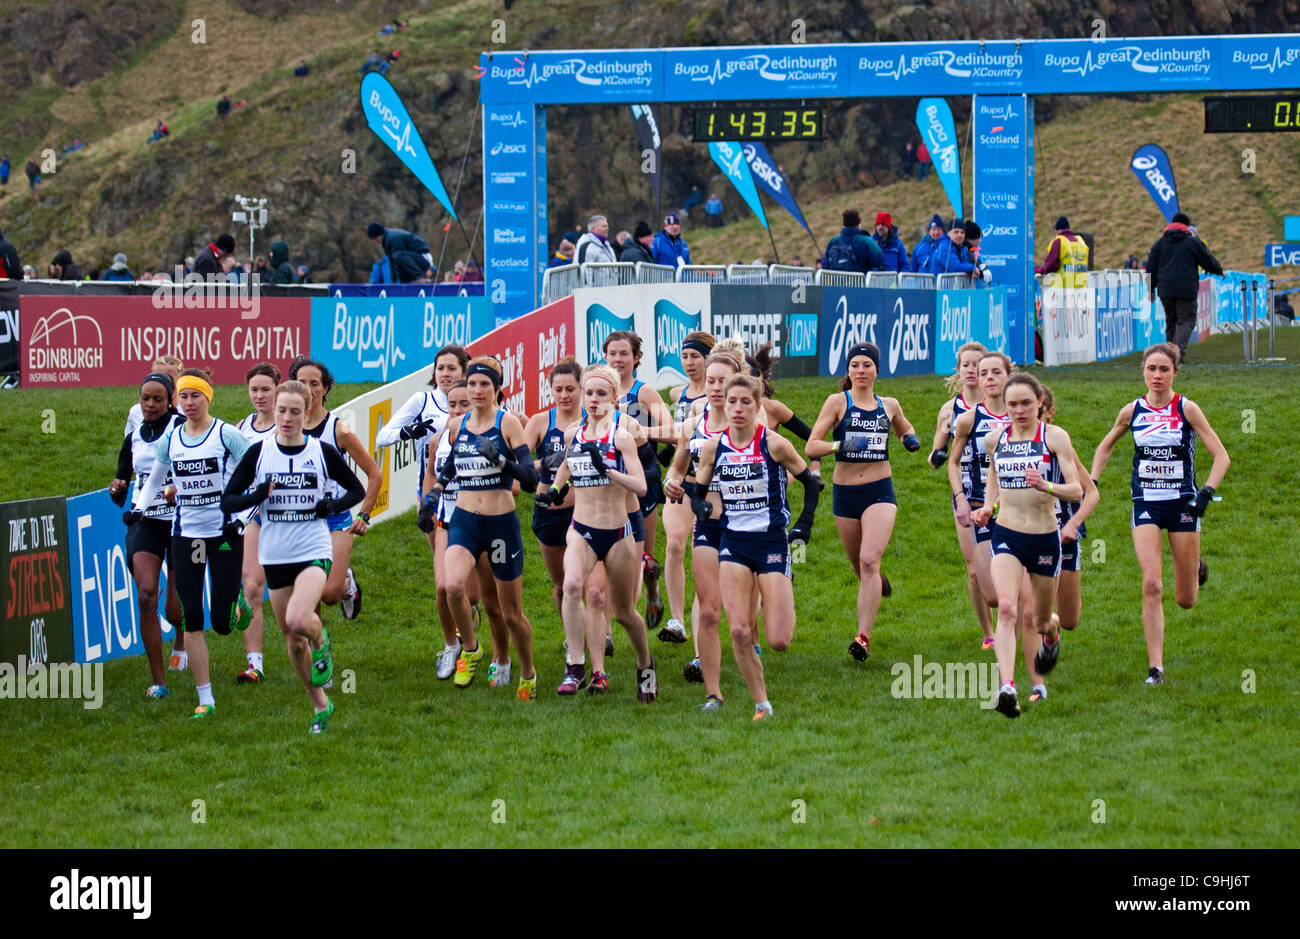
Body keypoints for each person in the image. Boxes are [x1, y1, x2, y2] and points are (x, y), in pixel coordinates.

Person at [222, 379, 365, 734]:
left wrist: (329, 505)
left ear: (307, 411)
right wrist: (256, 494)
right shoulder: (259, 453)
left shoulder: (320, 452)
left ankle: (323, 642)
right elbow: (229, 500)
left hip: (313, 548)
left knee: (301, 620)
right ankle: (320, 704)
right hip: (275, 553)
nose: (286, 418)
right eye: (281, 411)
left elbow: (356, 489)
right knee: (290, 638)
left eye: (294, 412)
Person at [1089, 343, 1230, 685]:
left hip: (1183, 505)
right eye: (1151, 368)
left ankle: (1195, 565)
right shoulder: (1132, 411)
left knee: (1185, 600)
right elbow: (1105, 445)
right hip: (1146, 504)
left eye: (1164, 369)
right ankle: (1156, 668)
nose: (1157, 375)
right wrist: (1092, 482)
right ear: (1143, 371)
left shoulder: (1187, 409)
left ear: (1175, 373)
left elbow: (1221, 456)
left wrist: (1205, 494)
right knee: (1151, 583)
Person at [125, 369, 253, 719]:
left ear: (208, 398)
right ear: (177, 402)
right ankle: (206, 699)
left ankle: (236, 601)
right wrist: (139, 509)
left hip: (224, 533)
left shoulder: (226, 434)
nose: (189, 402)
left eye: (196, 396)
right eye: (184, 396)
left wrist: (242, 515)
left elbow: (259, 470)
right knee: (193, 617)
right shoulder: (172, 439)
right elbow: (154, 481)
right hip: (187, 535)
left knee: (223, 623)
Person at [692, 374, 821, 722]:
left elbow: (812, 484)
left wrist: (804, 524)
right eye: (731, 402)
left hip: (772, 543)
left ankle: (777, 597)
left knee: (778, 639)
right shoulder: (712, 447)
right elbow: (698, 490)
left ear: (757, 406)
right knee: (738, 630)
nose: (736, 408)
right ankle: (761, 703)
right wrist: (700, 507)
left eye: (745, 402)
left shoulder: (774, 444)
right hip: (733, 542)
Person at [970, 373, 1085, 718]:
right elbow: (993, 477)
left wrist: (1047, 486)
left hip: (1044, 538)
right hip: (1006, 534)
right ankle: (1008, 687)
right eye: (1012, 404)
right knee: (1006, 608)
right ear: (1005, 407)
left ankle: (1051, 637)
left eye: (1026, 404)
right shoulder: (995, 439)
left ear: (1039, 404)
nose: (1019, 410)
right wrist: (989, 506)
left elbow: (1077, 491)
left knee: (1038, 619)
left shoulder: (1055, 438)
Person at [541, 364, 657, 699]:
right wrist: (555, 490)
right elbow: (566, 464)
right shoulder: (573, 433)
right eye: (588, 393)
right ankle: (575, 665)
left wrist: (605, 467)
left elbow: (640, 485)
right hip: (580, 528)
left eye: (601, 394)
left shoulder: (622, 435)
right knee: (573, 586)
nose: (593, 400)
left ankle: (645, 663)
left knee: (623, 613)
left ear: (615, 398)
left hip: (618, 531)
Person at [427, 355, 539, 698]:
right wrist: (433, 495)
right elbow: (450, 469)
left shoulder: (508, 424)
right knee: (453, 588)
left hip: (500, 525)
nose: (477, 390)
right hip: (464, 521)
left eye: (484, 385)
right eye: (472, 383)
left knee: (508, 612)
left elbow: (532, 479)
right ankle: (472, 650)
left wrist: (501, 459)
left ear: (497, 389)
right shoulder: (456, 425)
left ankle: (527, 672)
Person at [807, 342, 919, 663]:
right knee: (860, 566)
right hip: (846, 495)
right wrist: (841, 444)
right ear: (848, 370)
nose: (860, 371)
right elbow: (812, 447)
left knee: (869, 560)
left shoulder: (890, 404)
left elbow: (903, 427)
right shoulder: (837, 402)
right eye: (855, 365)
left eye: (866, 365)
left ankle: (863, 637)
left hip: (879, 492)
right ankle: (876, 582)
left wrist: (908, 438)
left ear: (876, 370)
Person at [664, 346, 742, 699]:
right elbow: (678, 464)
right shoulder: (695, 420)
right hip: (707, 520)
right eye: (710, 380)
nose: (713, 387)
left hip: (747, 521)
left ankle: (747, 639)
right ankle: (700, 658)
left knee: (742, 605)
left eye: (721, 381)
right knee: (706, 598)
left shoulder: (751, 421)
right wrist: (672, 480)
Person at [109, 372, 184, 698]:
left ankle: (182, 639)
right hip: (145, 521)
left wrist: (178, 489)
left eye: (157, 399)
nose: (150, 405)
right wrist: (118, 488)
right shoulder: (134, 436)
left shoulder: (182, 428)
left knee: (174, 606)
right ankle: (159, 681)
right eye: (145, 398)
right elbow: (120, 484)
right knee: (145, 595)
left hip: (183, 521)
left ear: (170, 400)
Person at [290, 357, 380, 624]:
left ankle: (346, 584)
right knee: (309, 595)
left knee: (329, 593)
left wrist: (364, 515)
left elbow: (374, 474)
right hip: (301, 520)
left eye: (314, 383)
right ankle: (317, 650)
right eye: (301, 382)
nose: (308, 389)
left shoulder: (338, 430)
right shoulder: (284, 428)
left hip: (337, 518)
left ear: (325, 388)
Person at [603, 330, 674, 633]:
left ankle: (651, 586)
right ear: (604, 356)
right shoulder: (596, 390)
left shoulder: (644, 393)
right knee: (604, 556)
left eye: (624, 354)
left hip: (643, 478)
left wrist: (639, 432)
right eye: (612, 354)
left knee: (641, 554)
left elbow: (672, 431)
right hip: (604, 487)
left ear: (636, 358)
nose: (618, 359)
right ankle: (605, 631)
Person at [929, 342, 993, 648]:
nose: (970, 371)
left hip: (1003, 494)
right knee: (973, 570)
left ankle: (1024, 621)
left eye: (976, 366)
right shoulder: (950, 410)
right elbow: (936, 452)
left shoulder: (1004, 404)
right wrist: (937, 457)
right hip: (965, 494)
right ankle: (989, 634)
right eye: (965, 365)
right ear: (958, 371)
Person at [948, 351, 1014, 647]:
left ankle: (1015, 636)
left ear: (1008, 376)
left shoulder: (1022, 413)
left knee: (1017, 579)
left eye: (995, 372)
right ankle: (992, 630)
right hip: (978, 505)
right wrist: (960, 498)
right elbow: (952, 462)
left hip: (1017, 505)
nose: (988, 378)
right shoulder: (969, 419)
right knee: (988, 589)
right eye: (983, 373)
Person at [660, 331, 715, 646]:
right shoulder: (677, 393)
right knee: (675, 545)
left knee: (705, 556)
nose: (690, 362)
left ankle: (708, 619)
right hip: (683, 484)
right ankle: (677, 620)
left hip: (713, 489)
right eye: (685, 356)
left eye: (696, 356)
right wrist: (671, 474)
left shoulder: (719, 396)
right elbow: (679, 440)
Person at [524, 359, 586, 628]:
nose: (564, 395)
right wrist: (546, 462)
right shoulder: (540, 422)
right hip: (549, 513)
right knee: (561, 585)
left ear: (581, 388)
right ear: (550, 390)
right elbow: (522, 470)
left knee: (591, 585)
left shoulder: (593, 418)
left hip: (585, 511)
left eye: (570, 389)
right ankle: (572, 639)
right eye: (558, 389)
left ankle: (599, 636)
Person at [232, 363, 282, 685]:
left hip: (290, 517)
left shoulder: (289, 423)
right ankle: (255, 664)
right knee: (252, 587)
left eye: (266, 389)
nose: (260, 395)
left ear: (278, 388)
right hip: (254, 516)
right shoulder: (240, 429)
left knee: (290, 596)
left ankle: (312, 648)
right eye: (254, 390)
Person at [1039, 385, 1100, 649]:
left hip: (1063, 534)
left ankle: (1051, 627)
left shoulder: (1059, 442)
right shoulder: (1007, 443)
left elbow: (1091, 493)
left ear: (1049, 413)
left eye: (1037, 411)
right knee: (1020, 604)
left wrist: (1073, 525)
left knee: (1069, 619)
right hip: (1025, 534)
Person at [1145, 212, 1224, 362]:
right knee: (1186, 320)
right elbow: (1206, 260)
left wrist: (1151, 289)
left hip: (1165, 289)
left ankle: (1169, 354)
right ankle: (1177, 352)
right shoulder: (1192, 242)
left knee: (1171, 320)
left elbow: (1150, 268)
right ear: (1186, 226)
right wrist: (1219, 271)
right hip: (1186, 289)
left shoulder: (1159, 243)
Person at [366, 222, 433, 283]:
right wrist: (394, 284)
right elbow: (392, 264)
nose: (375, 241)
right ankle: (405, 282)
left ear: (379, 235)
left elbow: (399, 259)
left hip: (423, 257)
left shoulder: (393, 238)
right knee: (396, 259)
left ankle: (421, 276)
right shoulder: (386, 241)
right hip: (413, 258)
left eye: (375, 238)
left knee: (398, 256)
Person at [824, 209, 885, 274]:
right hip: (859, 283)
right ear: (858, 224)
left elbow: (825, 265)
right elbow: (880, 261)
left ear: (844, 224)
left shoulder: (833, 241)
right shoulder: (866, 241)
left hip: (835, 283)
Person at [1036, 216, 1089, 288]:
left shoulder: (1059, 241)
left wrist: (1040, 270)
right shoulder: (1081, 242)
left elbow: (1051, 265)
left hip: (1062, 289)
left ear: (1057, 231)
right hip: (1081, 287)